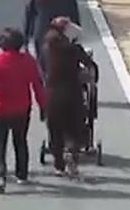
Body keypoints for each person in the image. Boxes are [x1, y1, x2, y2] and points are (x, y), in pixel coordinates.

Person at [0, 26, 47, 193]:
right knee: (20, 141)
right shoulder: (28, 61)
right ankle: (21, 173)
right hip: (21, 108)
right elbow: (37, 85)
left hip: (0, 109)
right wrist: (43, 105)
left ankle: (0, 176)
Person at [42, 17, 98, 177]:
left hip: (52, 94)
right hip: (72, 93)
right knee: (73, 129)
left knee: (55, 130)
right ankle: (73, 158)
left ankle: (58, 165)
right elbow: (91, 65)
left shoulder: (47, 48)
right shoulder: (74, 49)